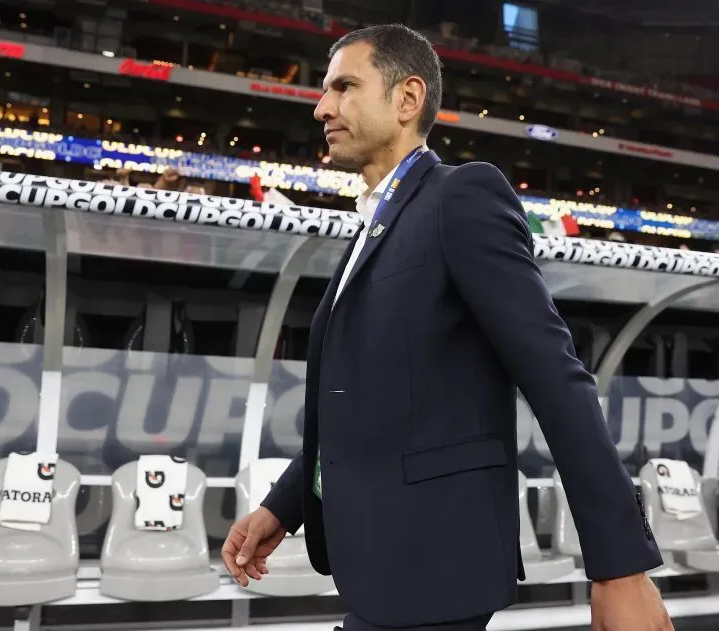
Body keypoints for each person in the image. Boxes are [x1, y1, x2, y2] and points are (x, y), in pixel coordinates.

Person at [221, 24, 673, 631]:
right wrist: (283, 507)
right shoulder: (372, 226)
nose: (321, 106)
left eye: (344, 87)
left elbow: (555, 376)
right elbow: (367, 402)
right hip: (382, 563)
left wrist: (619, 567)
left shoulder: (462, 198)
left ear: (407, 100)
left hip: (433, 564)